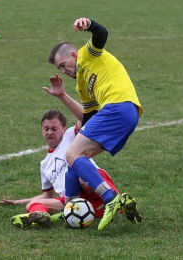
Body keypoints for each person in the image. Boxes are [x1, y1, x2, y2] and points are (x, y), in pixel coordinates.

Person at [47, 17, 143, 231]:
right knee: (74, 159)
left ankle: (110, 198)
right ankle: (69, 208)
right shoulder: (82, 87)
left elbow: (102, 34)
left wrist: (88, 23)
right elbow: (89, 114)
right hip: (125, 113)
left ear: (73, 55)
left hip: (119, 105)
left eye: (63, 65)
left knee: (72, 154)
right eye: (60, 69)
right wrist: (83, 126)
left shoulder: (86, 54)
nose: (64, 71)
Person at [0, 109, 122, 229]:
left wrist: (62, 95)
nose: (49, 132)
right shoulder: (44, 164)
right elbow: (48, 195)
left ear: (64, 129)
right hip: (70, 199)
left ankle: (116, 198)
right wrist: (17, 202)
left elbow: (87, 117)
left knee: (82, 178)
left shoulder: (71, 136)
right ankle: (41, 217)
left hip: (92, 185)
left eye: (54, 128)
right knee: (32, 205)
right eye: (46, 129)